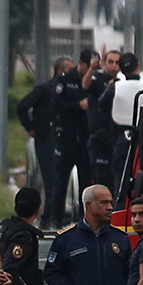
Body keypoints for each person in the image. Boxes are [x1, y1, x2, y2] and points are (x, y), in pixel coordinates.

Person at [47, 51, 94, 228]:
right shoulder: (64, 80)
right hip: (66, 136)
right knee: (61, 180)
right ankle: (55, 219)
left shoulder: (91, 81)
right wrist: (77, 105)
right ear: (81, 63)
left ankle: (85, 219)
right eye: (88, 67)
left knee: (86, 181)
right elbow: (56, 104)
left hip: (84, 138)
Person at [17, 58, 66, 202]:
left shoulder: (70, 91)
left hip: (64, 138)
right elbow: (22, 106)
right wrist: (30, 127)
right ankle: (49, 213)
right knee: (50, 176)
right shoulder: (44, 89)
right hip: (46, 137)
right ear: (60, 71)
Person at [98, 51, 142, 202]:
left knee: (120, 181)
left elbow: (101, 105)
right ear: (138, 65)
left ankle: (120, 212)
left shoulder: (116, 87)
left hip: (122, 139)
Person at [86, 49, 120, 190]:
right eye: (110, 62)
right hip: (99, 136)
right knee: (100, 177)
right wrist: (92, 67)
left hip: (117, 136)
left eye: (117, 63)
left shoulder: (123, 81)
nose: (114, 66)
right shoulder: (97, 79)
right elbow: (85, 85)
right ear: (104, 64)